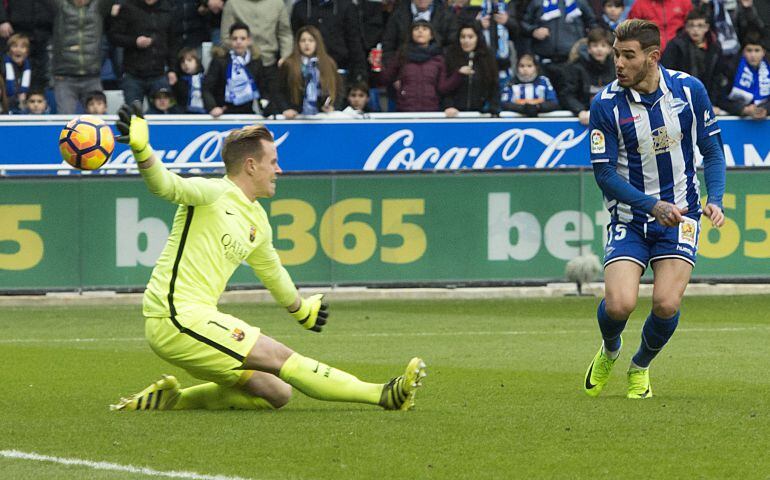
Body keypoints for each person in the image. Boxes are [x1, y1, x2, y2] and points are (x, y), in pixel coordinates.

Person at [109, 102, 426, 412]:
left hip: (194, 321)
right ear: (250, 165)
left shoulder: (257, 219)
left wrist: (302, 311)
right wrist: (142, 150)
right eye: (273, 162)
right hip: (175, 317)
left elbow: (272, 272)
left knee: (277, 391)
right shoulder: (212, 193)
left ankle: (173, 400)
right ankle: (384, 394)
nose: (279, 170)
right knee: (280, 357)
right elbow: (166, 186)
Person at [584, 19, 726, 400]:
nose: (619, 63)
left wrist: (716, 198)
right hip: (630, 218)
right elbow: (604, 174)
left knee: (665, 303)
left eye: (627, 56)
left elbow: (711, 149)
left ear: (652, 57)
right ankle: (610, 349)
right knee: (620, 305)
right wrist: (651, 205)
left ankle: (640, 365)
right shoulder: (605, 104)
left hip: (681, 216)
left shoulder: (689, 90)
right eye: (616, 54)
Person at [47, 0, 116, 115]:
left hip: (92, 76)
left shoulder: (98, 6)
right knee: (65, 120)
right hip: (64, 77)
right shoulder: (61, 6)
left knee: (98, 120)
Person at [379, 20, 461, 112]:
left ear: (431, 35)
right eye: (416, 29)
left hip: (431, 109)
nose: (420, 31)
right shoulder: (402, 55)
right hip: (405, 109)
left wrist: (458, 74)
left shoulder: (439, 59)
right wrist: (377, 66)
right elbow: (385, 79)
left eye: (425, 29)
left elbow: (442, 87)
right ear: (411, 34)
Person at [109, 0, 180, 106]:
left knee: (161, 116)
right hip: (133, 75)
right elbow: (114, 36)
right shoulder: (128, 8)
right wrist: (135, 41)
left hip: (159, 74)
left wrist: (172, 69)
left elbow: (173, 42)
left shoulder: (167, 9)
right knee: (134, 115)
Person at [203, 22, 282, 117]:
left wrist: (267, 108)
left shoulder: (256, 62)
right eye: (235, 39)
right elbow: (207, 87)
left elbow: (262, 89)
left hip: (247, 112)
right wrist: (212, 107)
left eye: (242, 39)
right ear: (230, 41)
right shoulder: (220, 61)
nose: (238, 42)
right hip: (222, 113)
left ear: (248, 40)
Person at [278, 26, 342, 118]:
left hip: (322, 115)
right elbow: (278, 91)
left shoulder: (329, 63)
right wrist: (285, 109)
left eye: (311, 41)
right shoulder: (288, 64)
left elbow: (339, 89)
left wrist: (333, 106)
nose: (307, 44)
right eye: (303, 41)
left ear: (317, 43)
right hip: (295, 115)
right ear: (298, 43)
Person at [443, 23, 500, 116]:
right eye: (463, 37)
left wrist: (492, 108)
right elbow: (444, 87)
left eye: (470, 37)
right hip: (454, 114)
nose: (466, 41)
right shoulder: (450, 56)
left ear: (478, 38)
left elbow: (494, 85)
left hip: (481, 114)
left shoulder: (487, 57)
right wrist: (448, 105)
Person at [561, 27, 615, 125]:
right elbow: (567, 94)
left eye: (603, 46)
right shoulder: (576, 67)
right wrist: (580, 110)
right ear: (589, 49)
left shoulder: (617, 67)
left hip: (611, 118)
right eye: (595, 46)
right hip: (584, 117)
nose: (599, 49)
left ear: (610, 49)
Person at [220, 0, 292, 68]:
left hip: (270, 62)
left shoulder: (278, 3)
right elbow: (226, 37)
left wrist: (285, 57)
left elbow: (285, 34)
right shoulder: (232, 3)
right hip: (241, 64)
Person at [723, 30, 769, 119]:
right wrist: (743, 109)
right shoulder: (732, 67)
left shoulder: (769, 66)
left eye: (757, 50)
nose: (753, 55)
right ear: (743, 52)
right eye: (749, 50)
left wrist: (766, 110)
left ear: (763, 52)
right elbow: (720, 99)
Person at [1, 33, 31, 113]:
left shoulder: (31, 69)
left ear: (27, 51)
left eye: (22, 47)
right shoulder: (2, 66)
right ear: (9, 50)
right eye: (14, 46)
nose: (18, 50)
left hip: (23, 109)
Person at [172, 47, 207, 114]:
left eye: (189, 60)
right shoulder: (179, 82)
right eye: (182, 62)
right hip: (185, 114)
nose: (186, 64)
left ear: (197, 62)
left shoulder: (205, 79)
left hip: (205, 113)